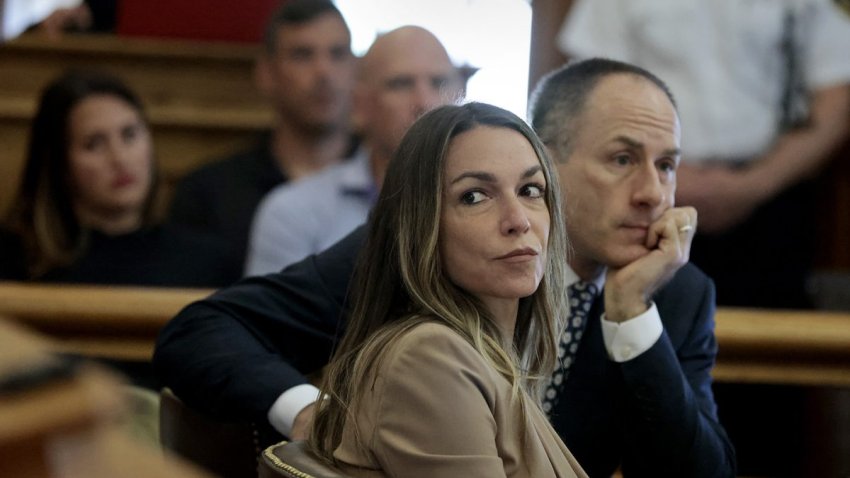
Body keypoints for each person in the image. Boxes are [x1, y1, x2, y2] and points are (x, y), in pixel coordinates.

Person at [155, 58, 735, 477]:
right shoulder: (420, 251)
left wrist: (632, 316)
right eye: (623, 159)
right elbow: (200, 332)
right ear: (548, 157)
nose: (653, 194)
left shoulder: (673, 295)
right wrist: (308, 411)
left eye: (667, 165)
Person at [304, 101, 584, 477]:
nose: (518, 220)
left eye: (531, 189)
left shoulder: (486, 354)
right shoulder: (429, 358)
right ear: (422, 225)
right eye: (474, 196)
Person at [557, 0, 850, 309]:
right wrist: (663, 178)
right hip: (646, 197)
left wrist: (755, 184)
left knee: (775, 336)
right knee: (641, 327)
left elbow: (835, 100)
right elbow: (589, 95)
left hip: (771, 197)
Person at [245, 25, 463, 275]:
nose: (425, 102)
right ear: (359, 104)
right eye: (400, 84)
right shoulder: (293, 211)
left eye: (439, 82)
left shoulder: (497, 204)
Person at [0, 69, 238, 287]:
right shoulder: (15, 260)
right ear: (59, 164)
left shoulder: (208, 263)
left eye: (130, 135)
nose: (120, 159)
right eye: (94, 144)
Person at [168, 0, 357, 267]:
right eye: (303, 55)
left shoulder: (391, 181)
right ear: (267, 73)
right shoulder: (209, 193)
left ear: (356, 70)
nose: (323, 72)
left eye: (338, 54)